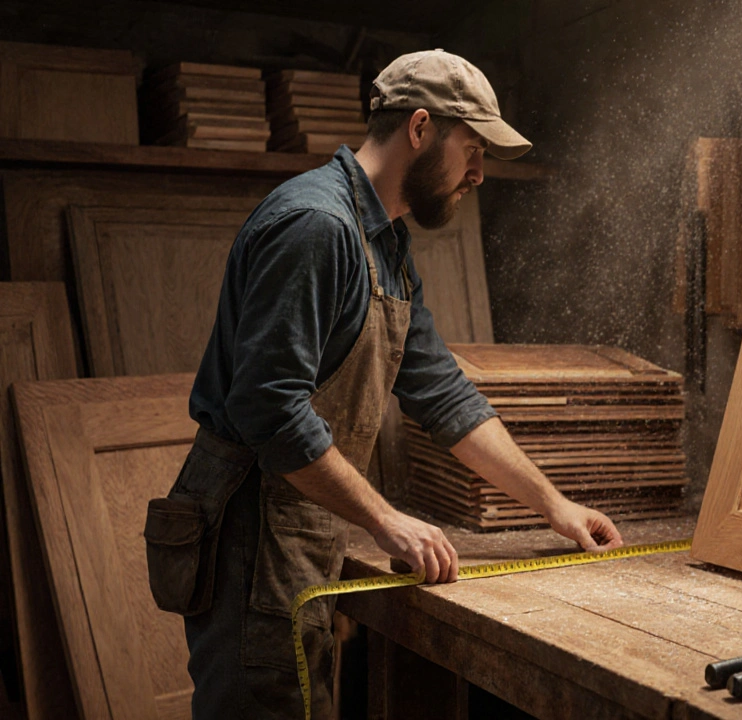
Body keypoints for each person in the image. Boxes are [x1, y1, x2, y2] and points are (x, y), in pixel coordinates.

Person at [143, 49, 624, 719]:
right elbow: (269, 408)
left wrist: (553, 506)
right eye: (473, 147)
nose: (480, 173)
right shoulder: (319, 226)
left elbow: (443, 392)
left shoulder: (383, 243)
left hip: (297, 525)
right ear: (421, 129)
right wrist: (388, 521)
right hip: (251, 533)